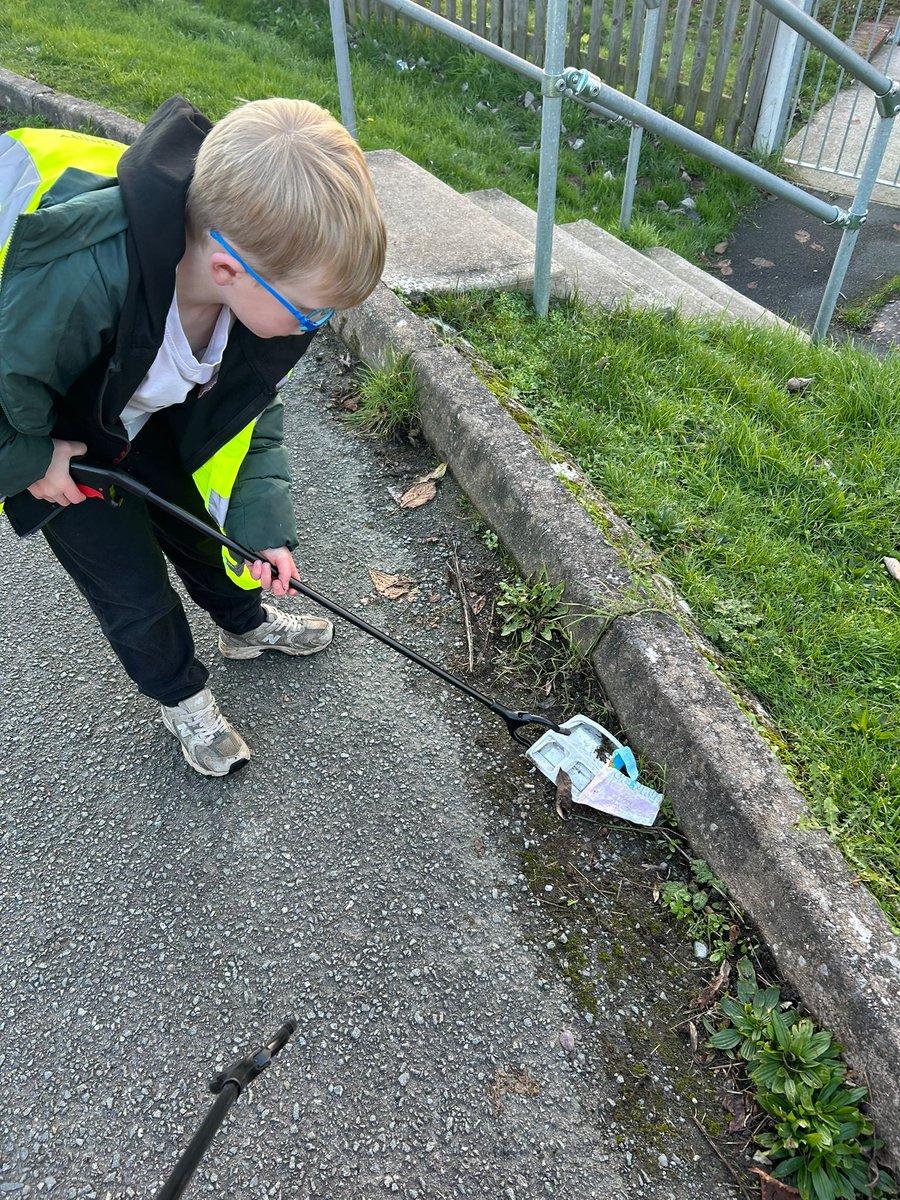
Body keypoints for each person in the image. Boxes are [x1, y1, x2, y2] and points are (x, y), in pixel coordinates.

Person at [0, 95, 387, 777]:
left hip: (131, 414)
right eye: (312, 311)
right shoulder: (83, 274)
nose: (312, 328)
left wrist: (263, 526)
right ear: (229, 269)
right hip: (55, 434)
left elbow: (248, 411)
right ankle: (182, 697)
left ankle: (244, 623)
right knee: (132, 586)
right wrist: (34, 460)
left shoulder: (254, 305)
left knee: (204, 529)